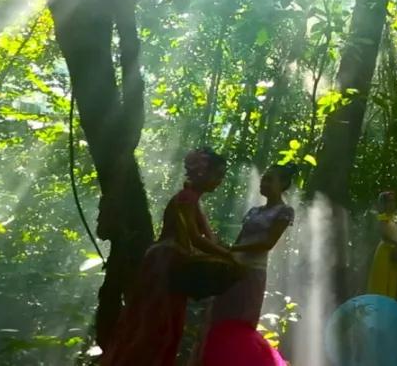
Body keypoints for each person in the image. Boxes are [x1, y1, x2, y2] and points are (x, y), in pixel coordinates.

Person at [102, 147, 232, 366]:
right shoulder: (186, 198)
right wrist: (230, 256)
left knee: (166, 326)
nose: (219, 181)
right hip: (164, 262)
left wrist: (228, 253)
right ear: (202, 173)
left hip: (172, 262)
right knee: (155, 326)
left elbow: (208, 240)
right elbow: (195, 238)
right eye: (216, 175)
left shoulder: (193, 200)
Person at [192, 164, 298, 365]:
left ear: (283, 184)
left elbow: (268, 243)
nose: (263, 182)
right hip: (232, 270)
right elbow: (240, 241)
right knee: (217, 320)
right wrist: (225, 255)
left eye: (270, 179)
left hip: (252, 274)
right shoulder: (253, 211)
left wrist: (233, 250)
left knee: (239, 325)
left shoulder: (284, 212)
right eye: (263, 178)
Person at [367, 190, 397, 298]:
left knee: (392, 283)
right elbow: (385, 236)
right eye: (389, 201)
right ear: (383, 203)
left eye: (393, 201)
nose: (392, 204)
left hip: (395, 254)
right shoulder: (381, 217)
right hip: (385, 252)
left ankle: (389, 308)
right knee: (381, 282)